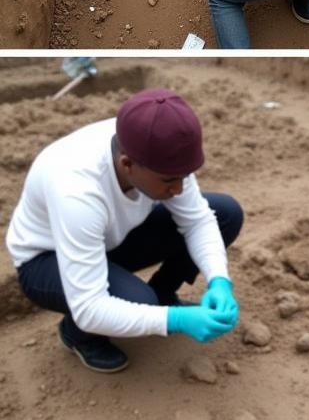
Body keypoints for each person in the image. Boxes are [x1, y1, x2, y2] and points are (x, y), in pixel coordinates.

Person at [6, 89, 243, 373]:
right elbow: (90, 307)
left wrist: (219, 280)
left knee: (224, 214)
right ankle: (77, 335)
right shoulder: (77, 191)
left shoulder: (156, 147)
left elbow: (198, 221)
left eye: (184, 176)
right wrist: (174, 321)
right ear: (127, 164)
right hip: (47, 259)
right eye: (170, 180)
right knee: (137, 302)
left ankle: (163, 294)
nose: (179, 188)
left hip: (107, 239)